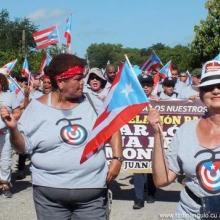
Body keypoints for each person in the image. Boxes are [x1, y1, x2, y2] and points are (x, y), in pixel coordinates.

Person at [1, 53, 122, 219]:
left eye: (83, 78)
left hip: (91, 194)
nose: (83, 83)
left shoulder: (94, 102)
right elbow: (22, 148)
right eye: (78, 78)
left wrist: (117, 158)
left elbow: (113, 126)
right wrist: (13, 130)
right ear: (60, 81)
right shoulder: (37, 108)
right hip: (49, 196)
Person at [148, 60, 220, 219]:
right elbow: (162, 180)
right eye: (208, 87)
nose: (215, 90)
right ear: (201, 94)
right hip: (190, 213)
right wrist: (157, 133)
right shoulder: (185, 130)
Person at [132, 75, 157, 209]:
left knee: (152, 168)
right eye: (143, 84)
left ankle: (151, 193)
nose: (145, 87)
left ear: (153, 86)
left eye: (148, 84)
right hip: (137, 139)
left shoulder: (159, 100)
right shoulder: (131, 100)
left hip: (153, 139)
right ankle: (138, 198)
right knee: (137, 168)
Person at [0, 72, 21, 198]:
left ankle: (5, 184)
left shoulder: (10, 96)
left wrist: (9, 116)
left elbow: (18, 112)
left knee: (5, 160)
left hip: (5, 133)